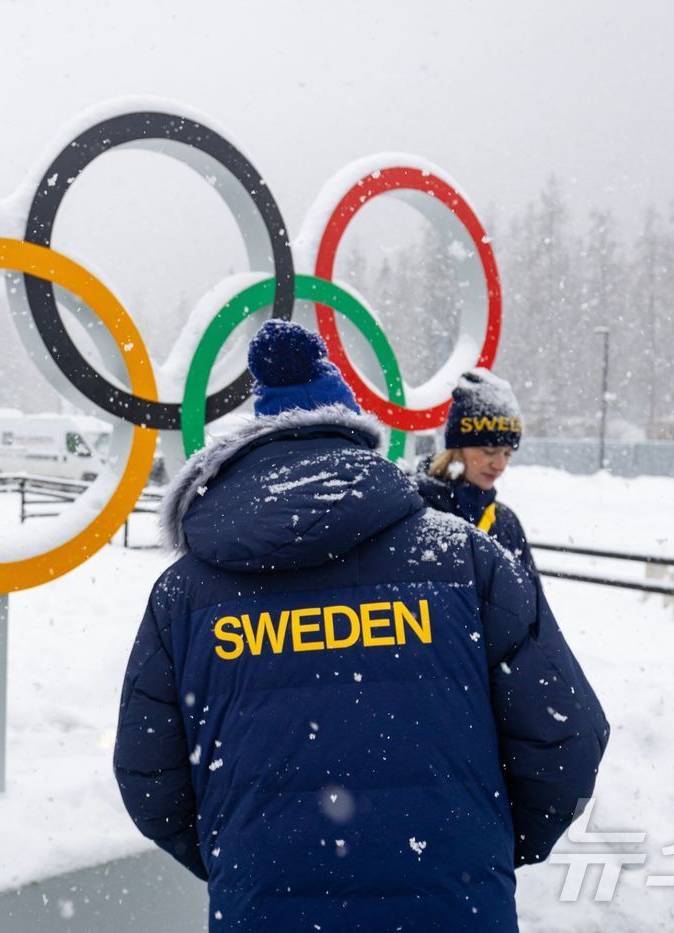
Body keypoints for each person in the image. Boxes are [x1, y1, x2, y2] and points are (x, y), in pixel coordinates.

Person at [114, 321, 608, 930]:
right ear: (355, 434)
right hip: (454, 904)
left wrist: (243, 856)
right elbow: (564, 737)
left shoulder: (184, 594)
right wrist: (484, 844)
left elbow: (148, 774)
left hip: (266, 909)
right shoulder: (462, 559)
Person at [415, 369, 535, 574]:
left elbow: (533, 602)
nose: (500, 465)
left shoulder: (505, 522)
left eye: (508, 454)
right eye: (489, 452)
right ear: (456, 449)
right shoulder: (417, 510)